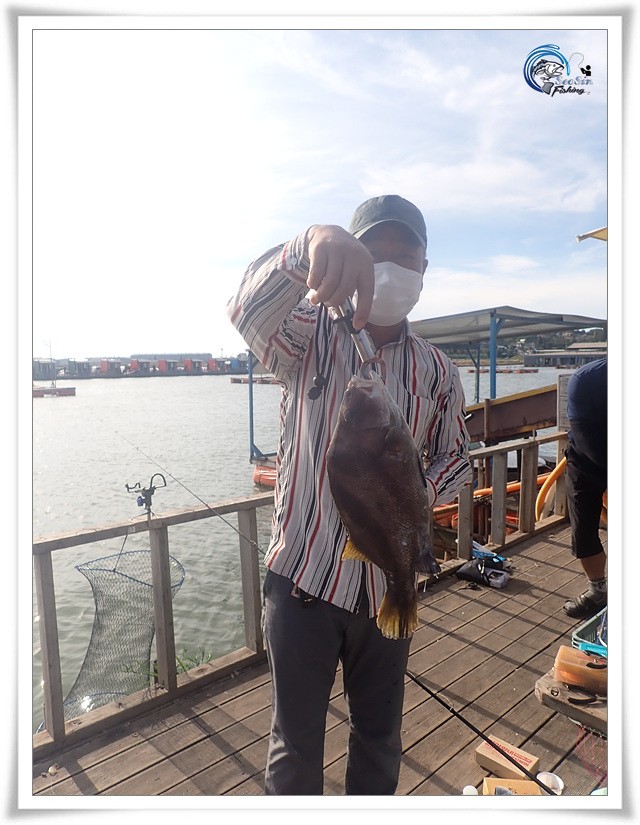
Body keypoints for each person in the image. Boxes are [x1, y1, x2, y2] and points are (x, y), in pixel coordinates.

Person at [227, 194, 472, 795]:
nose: (392, 267)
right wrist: (307, 243)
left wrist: (412, 497)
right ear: (352, 257)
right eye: (375, 252)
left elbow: (457, 457)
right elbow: (244, 311)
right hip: (303, 581)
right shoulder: (306, 334)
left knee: (380, 737)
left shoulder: (438, 370)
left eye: (405, 256)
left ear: (423, 268)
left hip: (387, 581)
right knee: (294, 744)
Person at [562, 357, 607, 619]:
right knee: (583, 531)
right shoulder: (585, 380)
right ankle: (597, 590)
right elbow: (587, 440)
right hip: (586, 459)